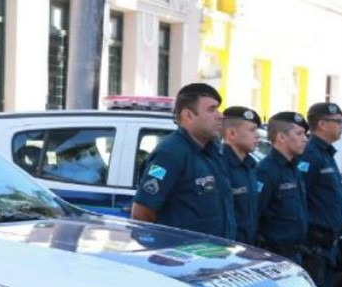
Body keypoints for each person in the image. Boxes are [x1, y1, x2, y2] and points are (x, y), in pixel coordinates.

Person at [132, 83, 235, 240]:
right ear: (188, 115)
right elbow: (142, 213)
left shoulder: (212, 151)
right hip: (183, 259)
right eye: (211, 109)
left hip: (215, 256)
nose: (220, 115)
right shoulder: (171, 153)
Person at [298, 102, 342, 287]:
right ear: (322, 125)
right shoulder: (310, 154)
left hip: (327, 246)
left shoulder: (326, 153)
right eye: (338, 122)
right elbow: (299, 197)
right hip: (314, 245)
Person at [255, 112, 309, 263]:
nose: (305, 139)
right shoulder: (266, 170)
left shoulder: (293, 167)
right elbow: (255, 215)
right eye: (299, 133)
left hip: (295, 254)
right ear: (281, 137)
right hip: (275, 257)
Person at [221, 106, 261, 244]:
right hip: (228, 249)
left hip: (249, 248)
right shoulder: (220, 166)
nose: (258, 135)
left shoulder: (250, 166)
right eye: (252, 130)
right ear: (231, 133)